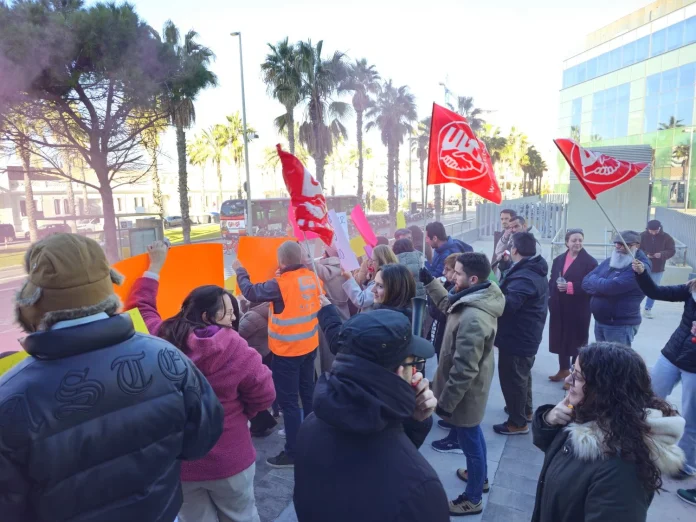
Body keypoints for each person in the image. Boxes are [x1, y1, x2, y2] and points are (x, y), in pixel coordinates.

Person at [1, 234, 223, 522]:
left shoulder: (11, 397)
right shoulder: (169, 359)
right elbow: (201, 441)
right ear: (107, 288)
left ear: (33, 302)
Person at [128, 241, 275, 522]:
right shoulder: (238, 348)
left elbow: (140, 306)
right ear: (208, 316)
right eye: (228, 313)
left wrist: (155, 265)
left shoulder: (161, 338)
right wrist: (242, 414)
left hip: (182, 462)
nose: (233, 319)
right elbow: (265, 394)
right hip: (231, 457)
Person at [293, 310, 449, 522]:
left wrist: (410, 421)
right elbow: (386, 466)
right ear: (396, 372)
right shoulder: (422, 489)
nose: (417, 374)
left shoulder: (310, 425)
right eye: (413, 364)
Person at [531, 342, 685, 522]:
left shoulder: (622, 469)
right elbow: (551, 448)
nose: (568, 380)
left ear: (603, 389)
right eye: (573, 370)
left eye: (579, 377)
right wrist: (549, 419)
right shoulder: (588, 414)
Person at [421, 253, 505, 516]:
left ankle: (473, 497)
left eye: (456, 273)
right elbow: (448, 304)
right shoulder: (473, 295)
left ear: (473, 278)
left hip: (466, 392)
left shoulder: (473, 318)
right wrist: (429, 282)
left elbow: (464, 369)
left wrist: (445, 404)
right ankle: (480, 477)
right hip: (469, 389)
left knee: (469, 440)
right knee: (473, 434)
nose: (451, 276)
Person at [234, 240, 322, 469]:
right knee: (308, 394)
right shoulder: (311, 277)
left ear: (282, 261)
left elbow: (251, 292)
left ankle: (292, 453)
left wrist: (239, 270)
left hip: (287, 352)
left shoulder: (279, 285)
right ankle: (312, 440)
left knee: (289, 403)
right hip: (309, 346)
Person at [632, 258, 696, 482]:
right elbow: (656, 291)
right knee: (647, 397)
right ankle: (638, 445)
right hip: (672, 354)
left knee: (691, 417)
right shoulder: (691, 289)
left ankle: (686, 465)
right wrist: (642, 273)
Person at [495, 232, 549, 435]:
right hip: (526, 334)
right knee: (522, 376)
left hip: (518, 336)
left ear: (515, 250)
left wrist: (490, 295)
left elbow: (509, 305)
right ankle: (524, 410)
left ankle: (517, 422)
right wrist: (504, 266)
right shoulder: (532, 267)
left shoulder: (526, 276)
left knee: (513, 379)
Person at [547, 229, 598, 389]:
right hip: (559, 305)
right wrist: (552, 292)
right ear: (567, 242)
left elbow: (591, 285)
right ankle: (563, 369)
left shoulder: (590, 262)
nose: (577, 243)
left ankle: (574, 375)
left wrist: (570, 286)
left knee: (577, 340)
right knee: (560, 336)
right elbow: (551, 278)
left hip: (578, 307)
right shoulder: (559, 259)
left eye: (580, 240)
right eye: (574, 240)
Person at [582, 231, 650, 347]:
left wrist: (598, 283)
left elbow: (611, 287)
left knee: (616, 363)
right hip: (600, 321)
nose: (618, 247)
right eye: (617, 243)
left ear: (636, 245)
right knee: (602, 360)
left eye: (624, 244)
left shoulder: (639, 267)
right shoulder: (611, 260)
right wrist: (602, 288)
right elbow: (585, 282)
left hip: (620, 325)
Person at [238, 299, 279, 437]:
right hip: (266, 351)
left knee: (249, 391)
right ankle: (275, 411)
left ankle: (261, 424)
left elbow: (238, 333)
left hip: (254, 355)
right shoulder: (268, 311)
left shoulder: (253, 316)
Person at [342, 244, 397, 313]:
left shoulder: (383, 279)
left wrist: (349, 278)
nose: (370, 263)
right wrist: (368, 280)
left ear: (380, 261)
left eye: (373, 260)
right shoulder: (392, 275)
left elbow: (361, 300)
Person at [640, 219, 676, 318]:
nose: (653, 233)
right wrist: (646, 254)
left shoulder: (666, 237)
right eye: (651, 231)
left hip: (658, 268)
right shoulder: (642, 235)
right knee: (639, 287)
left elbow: (672, 250)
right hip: (642, 266)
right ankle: (634, 306)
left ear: (659, 228)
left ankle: (648, 309)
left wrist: (661, 254)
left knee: (653, 289)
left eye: (655, 231)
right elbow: (636, 248)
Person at [427, 253, 459, 359]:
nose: (443, 272)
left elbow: (439, 313)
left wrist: (435, 292)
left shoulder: (454, 292)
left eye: (447, 269)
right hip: (441, 337)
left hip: (445, 341)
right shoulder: (450, 286)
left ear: (457, 272)